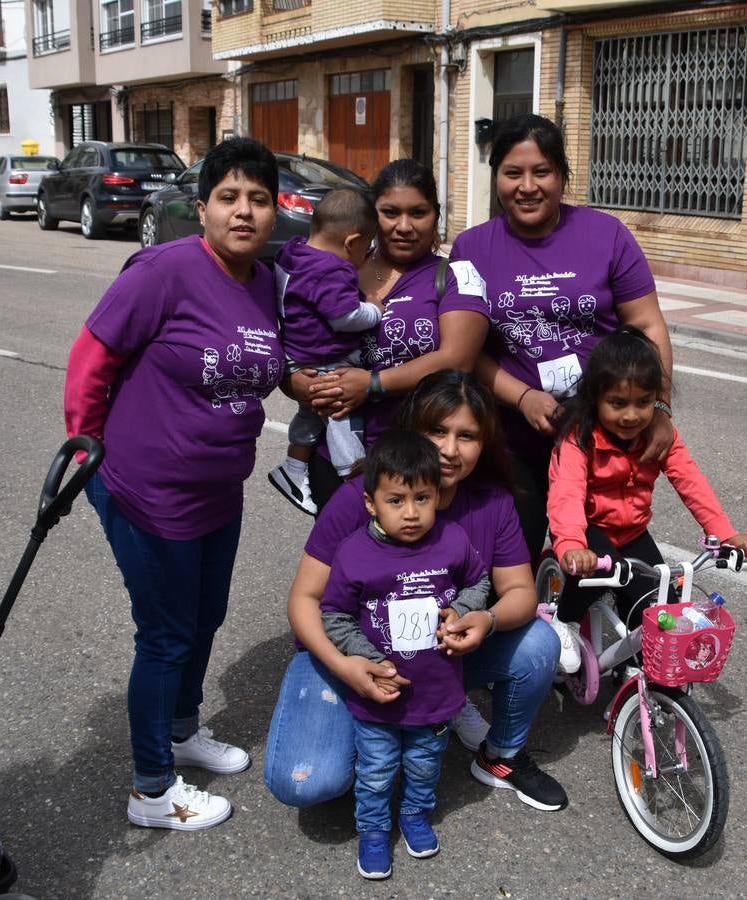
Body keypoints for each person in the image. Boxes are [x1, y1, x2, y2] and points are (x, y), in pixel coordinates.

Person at [62, 138, 283, 830]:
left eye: (258, 199)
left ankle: (183, 731)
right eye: (229, 197)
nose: (243, 211)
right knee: (164, 635)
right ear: (203, 206)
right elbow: (91, 358)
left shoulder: (268, 283)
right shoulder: (163, 271)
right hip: (147, 490)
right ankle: (152, 790)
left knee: (204, 618)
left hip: (220, 489)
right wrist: (86, 448)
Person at [264, 371, 569, 814]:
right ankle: (378, 726)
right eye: (437, 431)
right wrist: (346, 666)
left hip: (440, 656)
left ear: (484, 444)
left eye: (466, 436)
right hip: (348, 655)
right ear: (411, 432)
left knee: (539, 642)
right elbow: (305, 599)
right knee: (307, 784)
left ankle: (498, 755)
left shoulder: (493, 502)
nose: (448, 449)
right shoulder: (359, 498)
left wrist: (487, 619)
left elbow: (520, 590)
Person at [450, 113, 676, 562]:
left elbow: (648, 325)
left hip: (602, 437)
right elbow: (463, 350)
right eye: (512, 173)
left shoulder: (607, 235)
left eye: (542, 172)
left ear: (563, 176)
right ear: (496, 176)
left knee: (619, 571)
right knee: (511, 566)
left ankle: (583, 625)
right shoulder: (471, 248)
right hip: (510, 437)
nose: (527, 186)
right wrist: (524, 397)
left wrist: (661, 409)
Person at [319, 431, 490, 879]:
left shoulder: (453, 540)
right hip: (376, 695)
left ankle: (415, 813)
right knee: (376, 769)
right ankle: (373, 830)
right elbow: (333, 614)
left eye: (422, 498)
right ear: (371, 503)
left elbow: (479, 582)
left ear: (438, 496)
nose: (411, 513)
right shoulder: (353, 553)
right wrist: (367, 658)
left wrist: (465, 610)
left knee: (424, 763)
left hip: (437, 692)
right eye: (396, 500)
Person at [292, 159, 490, 510]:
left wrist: (371, 383)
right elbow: (290, 334)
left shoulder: (458, 275)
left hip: (420, 463)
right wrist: (295, 383)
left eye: (418, 213)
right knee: (344, 560)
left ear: (436, 216)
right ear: (372, 216)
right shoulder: (335, 268)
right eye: (390, 212)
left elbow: (457, 360)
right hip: (337, 457)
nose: (404, 226)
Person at [547, 326, 747, 636]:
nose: (631, 416)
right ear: (595, 398)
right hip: (587, 529)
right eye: (617, 403)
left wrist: (725, 534)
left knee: (660, 608)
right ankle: (563, 624)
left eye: (643, 403)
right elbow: (566, 496)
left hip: (631, 531)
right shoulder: (579, 438)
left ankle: (633, 669)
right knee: (594, 578)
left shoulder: (658, 436)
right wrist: (572, 546)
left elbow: (691, 482)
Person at [268, 187, 381, 515]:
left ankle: (293, 467)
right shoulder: (333, 269)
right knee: (338, 411)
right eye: (367, 248)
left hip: (297, 350)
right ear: (352, 242)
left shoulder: (293, 251)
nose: (367, 255)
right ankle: (353, 475)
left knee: (310, 413)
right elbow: (344, 316)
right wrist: (374, 310)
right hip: (323, 355)